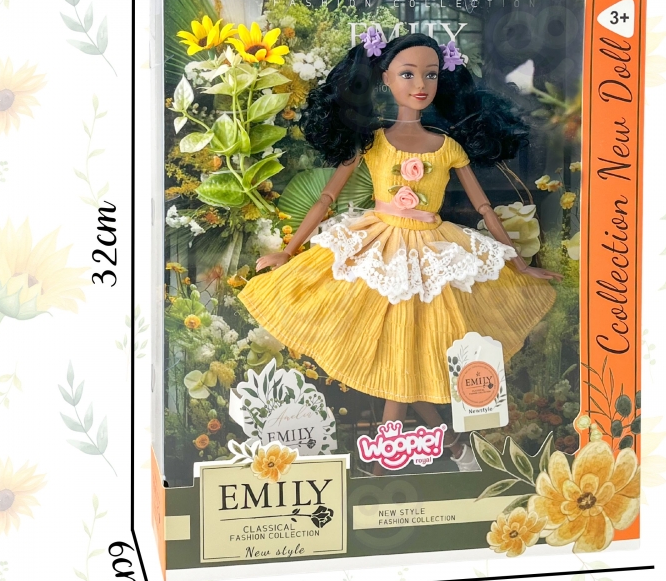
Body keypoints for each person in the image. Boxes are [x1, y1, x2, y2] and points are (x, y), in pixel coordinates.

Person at [239, 28, 560, 474]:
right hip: (379, 249)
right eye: (407, 74)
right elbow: (327, 197)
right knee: (400, 362)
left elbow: (485, 208)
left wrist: (519, 265)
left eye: (430, 74)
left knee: (410, 360)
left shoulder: (448, 147)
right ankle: (447, 450)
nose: (420, 84)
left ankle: (389, 466)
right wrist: (289, 251)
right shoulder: (373, 141)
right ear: (385, 78)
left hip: (433, 253)